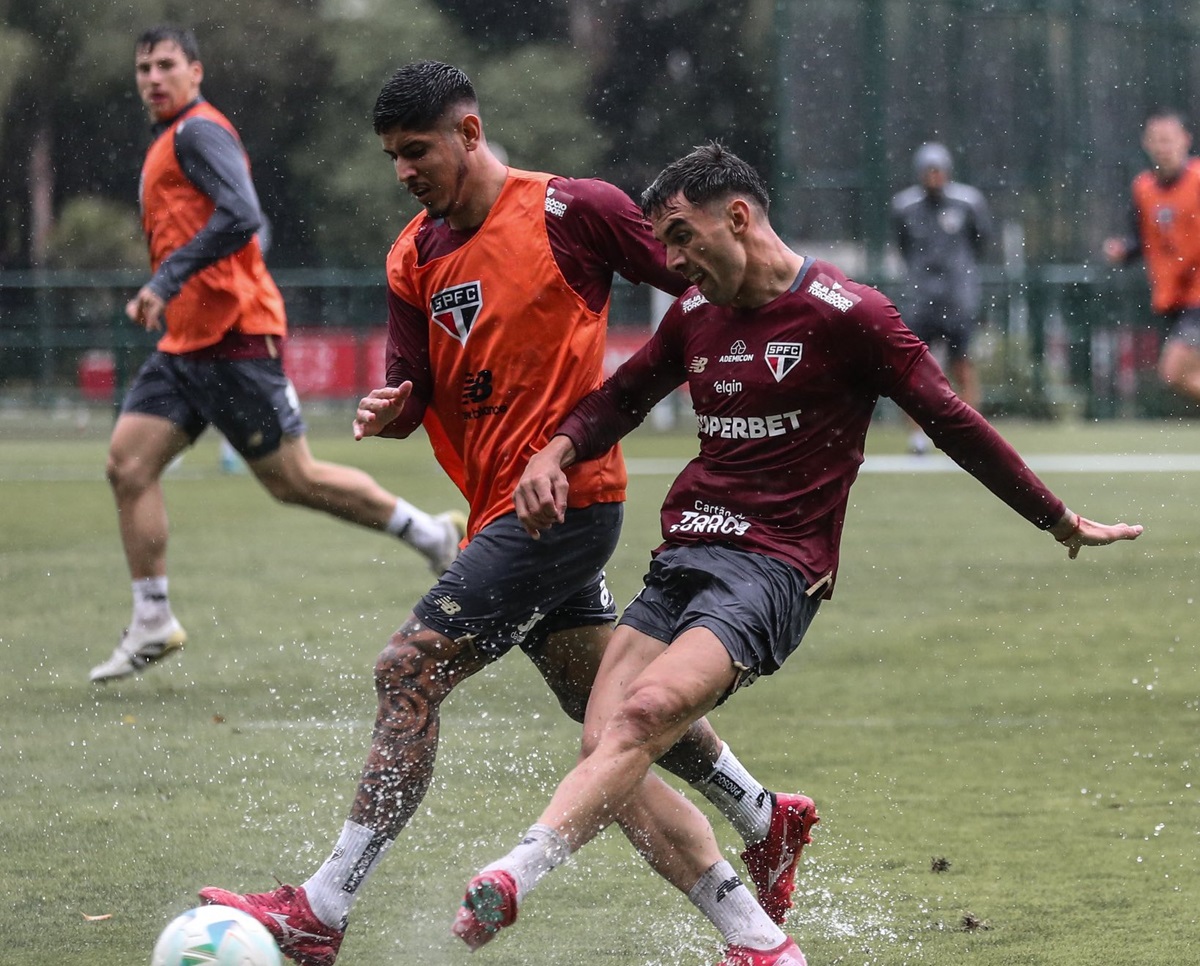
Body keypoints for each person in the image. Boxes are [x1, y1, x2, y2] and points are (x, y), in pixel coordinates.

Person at [457, 142, 1143, 966]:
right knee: (604, 749)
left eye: (681, 237)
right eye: (662, 244)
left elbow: (953, 422)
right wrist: (556, 451)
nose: (671, 262)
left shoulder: (848, 315)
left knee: (639, 720)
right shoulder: (694, 314)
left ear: (738, 216)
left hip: (775, 568)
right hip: (683, 558)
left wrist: (1056, 518)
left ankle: (512, 875)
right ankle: (760, 938)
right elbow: (621, 398)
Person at [198, 64, 817, 966]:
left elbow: (705, 282)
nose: (404, 171)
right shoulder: (412, 255)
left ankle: (321, 909)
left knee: (408, 669)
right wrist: (393, 406)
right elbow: (414, 387)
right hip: (497, 509)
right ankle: (760, 849)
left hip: (566, 509)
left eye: (417, 150)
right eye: (393, 156)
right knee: (608, 729)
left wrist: (760, 374)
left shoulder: (572, 211)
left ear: (470, 133)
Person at [89, 27, 465, 685]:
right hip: (185, 343)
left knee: (294, 479)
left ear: (195, 71)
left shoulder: (197, 133)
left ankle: (429, 534)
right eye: (143, 67)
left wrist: (167, 280)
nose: (153, 77)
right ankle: (152, 618)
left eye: (166, 65)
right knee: (128, 465)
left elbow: (242, 214)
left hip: (233, 337)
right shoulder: (170, 140)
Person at [890, 142, 993, 454]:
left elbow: (980, 242)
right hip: (921, 299)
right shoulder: (904, 206)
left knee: (963, 365)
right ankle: (917, 438)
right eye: (928, 171)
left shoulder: (968, 203)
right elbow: (903, 246)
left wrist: (960, 278)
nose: (934, 176)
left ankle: (971, 437)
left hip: (957, 299)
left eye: (938, 170)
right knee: (915, 370)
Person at [1103, 109, 1200, 405]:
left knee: (1173, 371)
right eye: (1156, 140)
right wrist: (1123, 251)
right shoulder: (1143, 188)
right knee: (1184, 374)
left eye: (1168, 139)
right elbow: (1141, 238)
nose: (1162, 147)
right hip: (1173, 297)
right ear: (1146, 144)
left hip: (1198, 295)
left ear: (1185, 140)